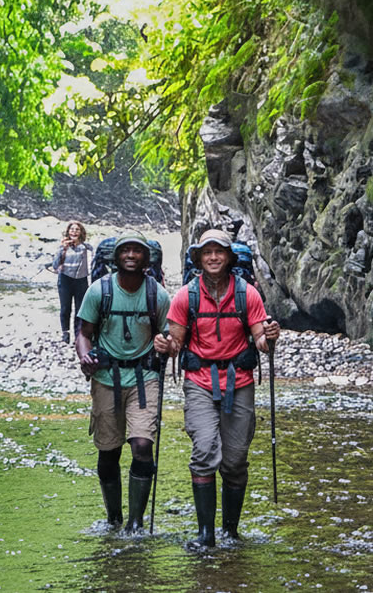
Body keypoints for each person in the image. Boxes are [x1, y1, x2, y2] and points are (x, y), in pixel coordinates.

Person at [157, 229, 279, 548]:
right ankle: (206, 534)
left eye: (219, 252)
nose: (213, 257)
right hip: (199, 383)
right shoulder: (186, 295)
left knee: (236, 459)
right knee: (204, 451)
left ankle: (231, 531)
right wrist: (164, 345)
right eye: (207, 252)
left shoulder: (247, 293)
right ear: (198, 258)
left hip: (239, 382)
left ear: (228, 257)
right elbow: (176, 344)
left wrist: (270, 336)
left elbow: (260, 340)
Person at [74, 234, 173, 533]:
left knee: (142, 446)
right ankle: (114, 517)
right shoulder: (99, 291)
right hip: (106, 379)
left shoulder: (158, 295)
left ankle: (136, 522)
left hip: (146, 378)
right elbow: (84, 332)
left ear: (147, 259)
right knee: (109, 451)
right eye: (125, 251)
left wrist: (166, 345)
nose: (131, 255)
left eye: (137, 251)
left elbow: (170, 334)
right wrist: (84, 356)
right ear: (116, 258)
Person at [46, 221, 93, 343]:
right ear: (68, 232)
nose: (74, 231)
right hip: (65, 279)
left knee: (80, 309)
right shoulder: (63, 247)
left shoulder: (87, 248)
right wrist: (62, 249)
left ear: (81, 232)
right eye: (72, 229)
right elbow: (55, 265)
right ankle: (65, 334)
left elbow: (92, 264)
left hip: (81, 280)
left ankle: (78, 334)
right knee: (65, 308)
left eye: (77, 229)